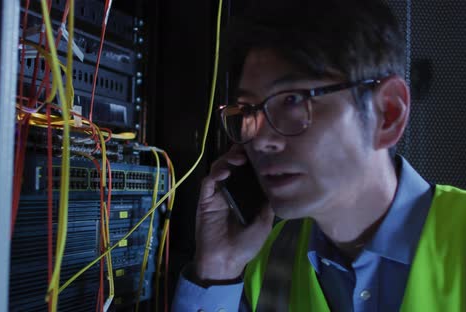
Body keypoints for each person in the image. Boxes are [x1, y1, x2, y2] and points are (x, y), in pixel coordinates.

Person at [172, 0, 466, 311]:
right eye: (248, 111)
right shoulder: (269, 257)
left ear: (388, 113)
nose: (259, 140)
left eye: (293, 101)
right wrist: (219, 267)